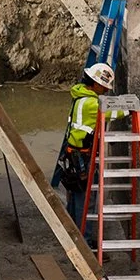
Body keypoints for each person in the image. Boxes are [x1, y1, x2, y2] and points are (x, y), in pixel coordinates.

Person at [52, 62, 117, 228]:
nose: (106, 90)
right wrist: (138, 103)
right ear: (95, 84)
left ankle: (72, 232)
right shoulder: (91, 104)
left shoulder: (80, 95)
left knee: (75, 196)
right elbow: (112, 113)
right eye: (104, 86)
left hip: (73, 154)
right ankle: (84, 239)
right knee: (86, 200)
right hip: (83, 157)